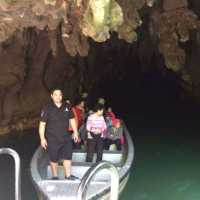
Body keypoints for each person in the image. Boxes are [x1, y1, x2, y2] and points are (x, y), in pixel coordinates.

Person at [39, 88, 79, 180]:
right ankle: (55, 176)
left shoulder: (67, 106)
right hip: (52, 138)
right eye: (56, 95)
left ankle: (68, 176)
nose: (58, 97)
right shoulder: (47, 108)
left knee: (68, 157)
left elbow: (72, 119)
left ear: (62, 96)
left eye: (60, 95)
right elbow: (42, 124)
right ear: (52, 96)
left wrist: (75, 132)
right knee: (54, 159)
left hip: (66, 137)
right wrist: (42, 138)